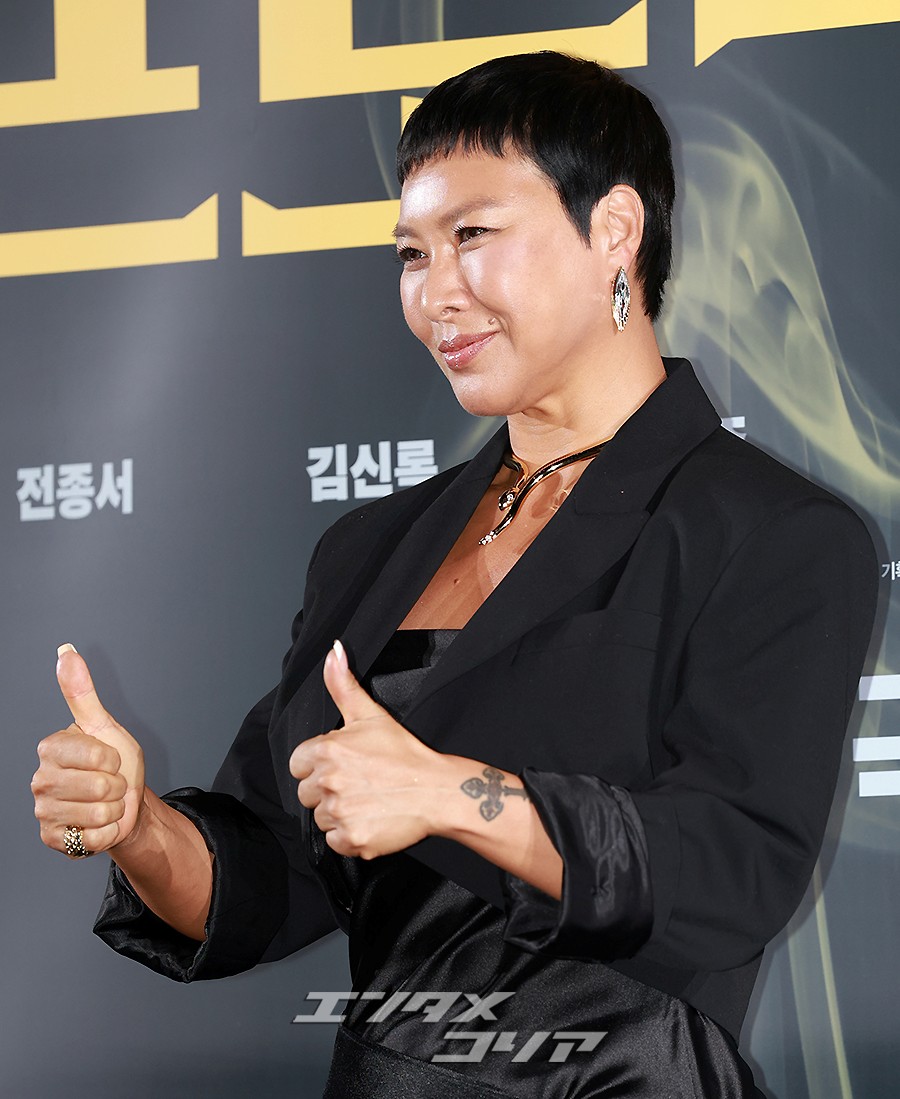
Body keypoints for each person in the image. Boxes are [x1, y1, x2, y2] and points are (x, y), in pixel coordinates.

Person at [32, 52, 877, 1097]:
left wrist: (452, 795)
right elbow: (274, 874)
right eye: (411, 253)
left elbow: (732, 871)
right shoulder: (371, 549)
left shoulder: (776, 533)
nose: (436, 293)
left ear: (615, 229)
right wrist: (139, 826)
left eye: (473, 235)